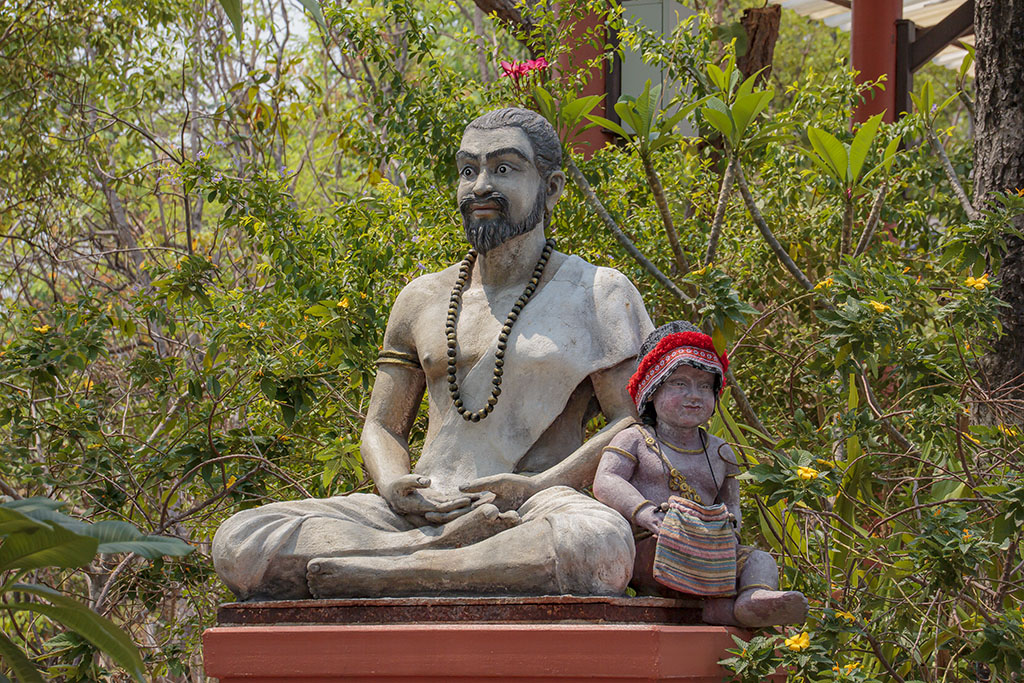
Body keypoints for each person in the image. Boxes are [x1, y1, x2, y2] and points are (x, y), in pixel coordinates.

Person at [212, 108, 654, 600]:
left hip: (533, 504)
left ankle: (397, 572)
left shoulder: (598, 292)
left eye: (503, 169)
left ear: (550, 188)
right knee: (240, 540)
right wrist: (395, 485)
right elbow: (382, 426)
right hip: (425, 506)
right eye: (469, 170)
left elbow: (633, 424)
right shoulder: (422, 298)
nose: (480, 186)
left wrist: (535, 487)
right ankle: (440, 556)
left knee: (595, 546)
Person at [593, 321, 808, 627]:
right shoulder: (636, 439)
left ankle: (751, 599)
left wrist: (731, 526)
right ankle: (721, 606)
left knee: (760, 560)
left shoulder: (720, 452)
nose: (694, 395)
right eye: (680, 384)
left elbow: (730, 502)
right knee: (675, 550)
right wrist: (646, 513)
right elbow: (605, 480)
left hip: (710, 548)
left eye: (705, 386)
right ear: (652, 391)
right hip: (653, 546)